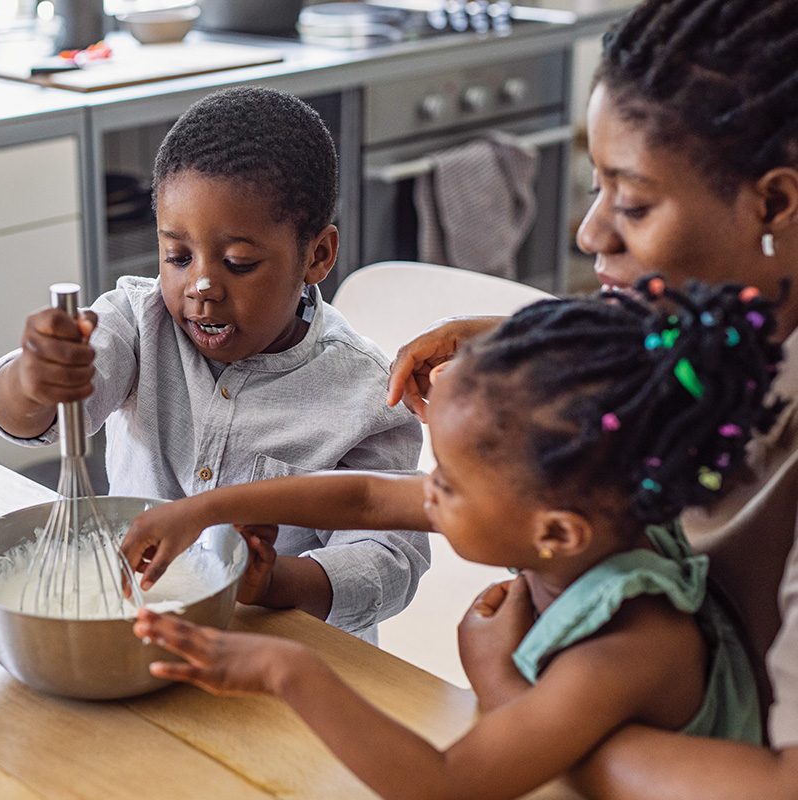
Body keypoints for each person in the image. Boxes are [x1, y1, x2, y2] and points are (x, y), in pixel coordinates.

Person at [127, 278, 781, 800]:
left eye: (449, 482)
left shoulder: (628, 647)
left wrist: (287, 669)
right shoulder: (592, 518)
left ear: (554, 531)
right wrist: (202, 512)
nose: (427, 490)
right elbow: (365, 495)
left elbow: (450, 781)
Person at [385, 0, 798, 796]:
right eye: (596, 186)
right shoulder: (695, 347)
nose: (590, 234)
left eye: (633, 202)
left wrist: (523, 713)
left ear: (775, 204)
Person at [0, 86, 428, 642]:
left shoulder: (368, 393)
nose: (202, 287)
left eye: (238, 263)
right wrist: (33, 377)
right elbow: (26, 418)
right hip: (138, 632)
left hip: (285, 659)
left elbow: (393, 556)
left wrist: (277, 582)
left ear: (318, 256)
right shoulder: (134, 324)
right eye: (178, 256)